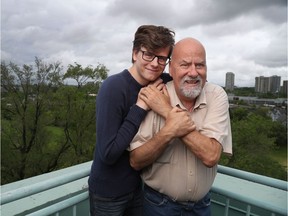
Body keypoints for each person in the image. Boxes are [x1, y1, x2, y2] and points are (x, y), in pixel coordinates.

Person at [129, 37, 233, 216]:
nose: (193, 73)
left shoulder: (216, 95)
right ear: (171, 69)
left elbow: (211, 155)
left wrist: (167, 111)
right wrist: (169, 131)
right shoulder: (154, 94)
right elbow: (136, 160)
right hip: (157, 206)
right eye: (185, 65)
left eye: (199, 65)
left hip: (202, 207)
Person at [88, 25, 175, 216]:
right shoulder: (113, 87)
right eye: (148, 54)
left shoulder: (160, 81)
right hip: (107, 194)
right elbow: (109, 153)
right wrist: (140, 107)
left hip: (136, 189)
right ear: (135, 53)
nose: (154, 63)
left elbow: (189, 77)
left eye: (161, 58)